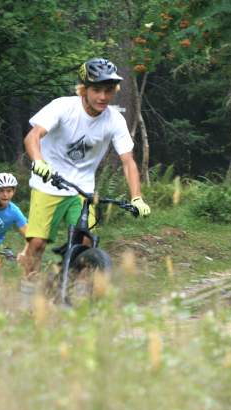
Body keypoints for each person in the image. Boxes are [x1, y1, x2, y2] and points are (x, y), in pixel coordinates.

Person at [20, 57, 151, 281]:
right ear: (84, 90)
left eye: (108, 90)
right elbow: (33, 136)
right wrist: (39, 162)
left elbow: (128, 161)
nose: (103, 97)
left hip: (82, 189)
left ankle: (68, 287)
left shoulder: (114, 120)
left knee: (87, 242)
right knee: (38, 242)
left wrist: (137, 198)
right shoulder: (63, 107)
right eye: (96, 90)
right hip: (48, 183)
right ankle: (27, 291)